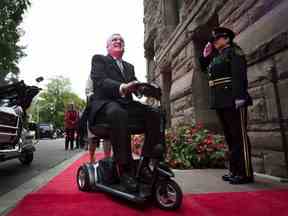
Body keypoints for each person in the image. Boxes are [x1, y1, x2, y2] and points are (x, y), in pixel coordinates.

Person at [89, 33, 160, 191]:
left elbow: (136, 90)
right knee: (118, 113)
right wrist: (122, 87)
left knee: (155, 113)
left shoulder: (129, 67)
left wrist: (145, 90)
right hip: (106, 105)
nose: (118, 41)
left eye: (121, 40)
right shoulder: (99, 60)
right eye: (114, 39)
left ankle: (146, 164)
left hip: (127, 105)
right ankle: (125, 170)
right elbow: (101, 81)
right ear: (108, 46)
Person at [199, 27, 254, 184]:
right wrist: (205, 55)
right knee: (230, 137)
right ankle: (235, 170)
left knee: (239, 137)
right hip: (221, 101)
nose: (215, 42)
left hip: (233, 99)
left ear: (227, 39)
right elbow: (204, 68)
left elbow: (238, 74)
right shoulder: (217, 56)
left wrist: (239, 96)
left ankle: (245, 173)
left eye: (217, 39)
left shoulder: (234, 51)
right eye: (214, 40)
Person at [85, 76, 112, 163]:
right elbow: (88, 92)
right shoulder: (91, 77)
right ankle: (92, 157)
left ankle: (107, 158)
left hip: (107, 108)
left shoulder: (108, 75)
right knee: (93, 138)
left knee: (107, 135)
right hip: (94, 109)